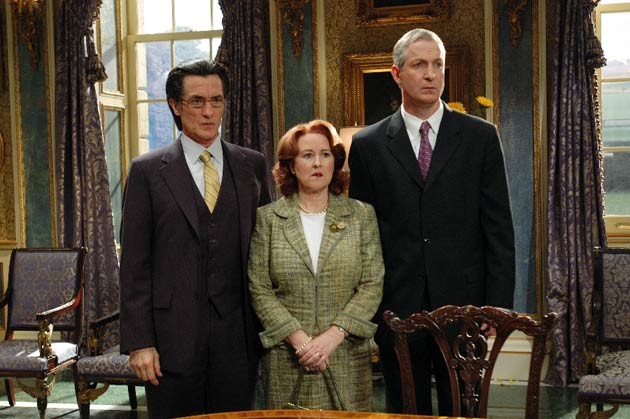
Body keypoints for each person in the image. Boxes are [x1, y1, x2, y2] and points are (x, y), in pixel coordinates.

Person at [348, 28, 515, 415]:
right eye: (419, 65)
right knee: (407, 409)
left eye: (437, 65)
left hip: (466, 305)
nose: (430, 74)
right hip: (397, 308)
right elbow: (363, 236)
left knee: (464, 410)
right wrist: (372, 309)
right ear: (396, 73)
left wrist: (497, 305)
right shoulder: (369, 145)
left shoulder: (480, 137)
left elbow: (499, 228)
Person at [119, 59, 271, 418]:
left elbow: (267, 251)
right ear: (175, 105)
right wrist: (140, 342)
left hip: (238, 338)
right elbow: (135, 266)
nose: (208, 111)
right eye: (197, 101)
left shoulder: (252, 165)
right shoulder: (146, 171)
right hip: (170, 340)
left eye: (216, 101)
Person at [247, 119, 384, 410]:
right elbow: (259, 288)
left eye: (325, 154)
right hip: (288, 358)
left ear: (335, 162)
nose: (318, 163)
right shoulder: (268, 219)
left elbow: (372, 284)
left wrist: (333, 336)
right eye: (307, 155)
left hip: (346, 355)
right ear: (291, 165)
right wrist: (300, 341)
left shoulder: (361, 215)